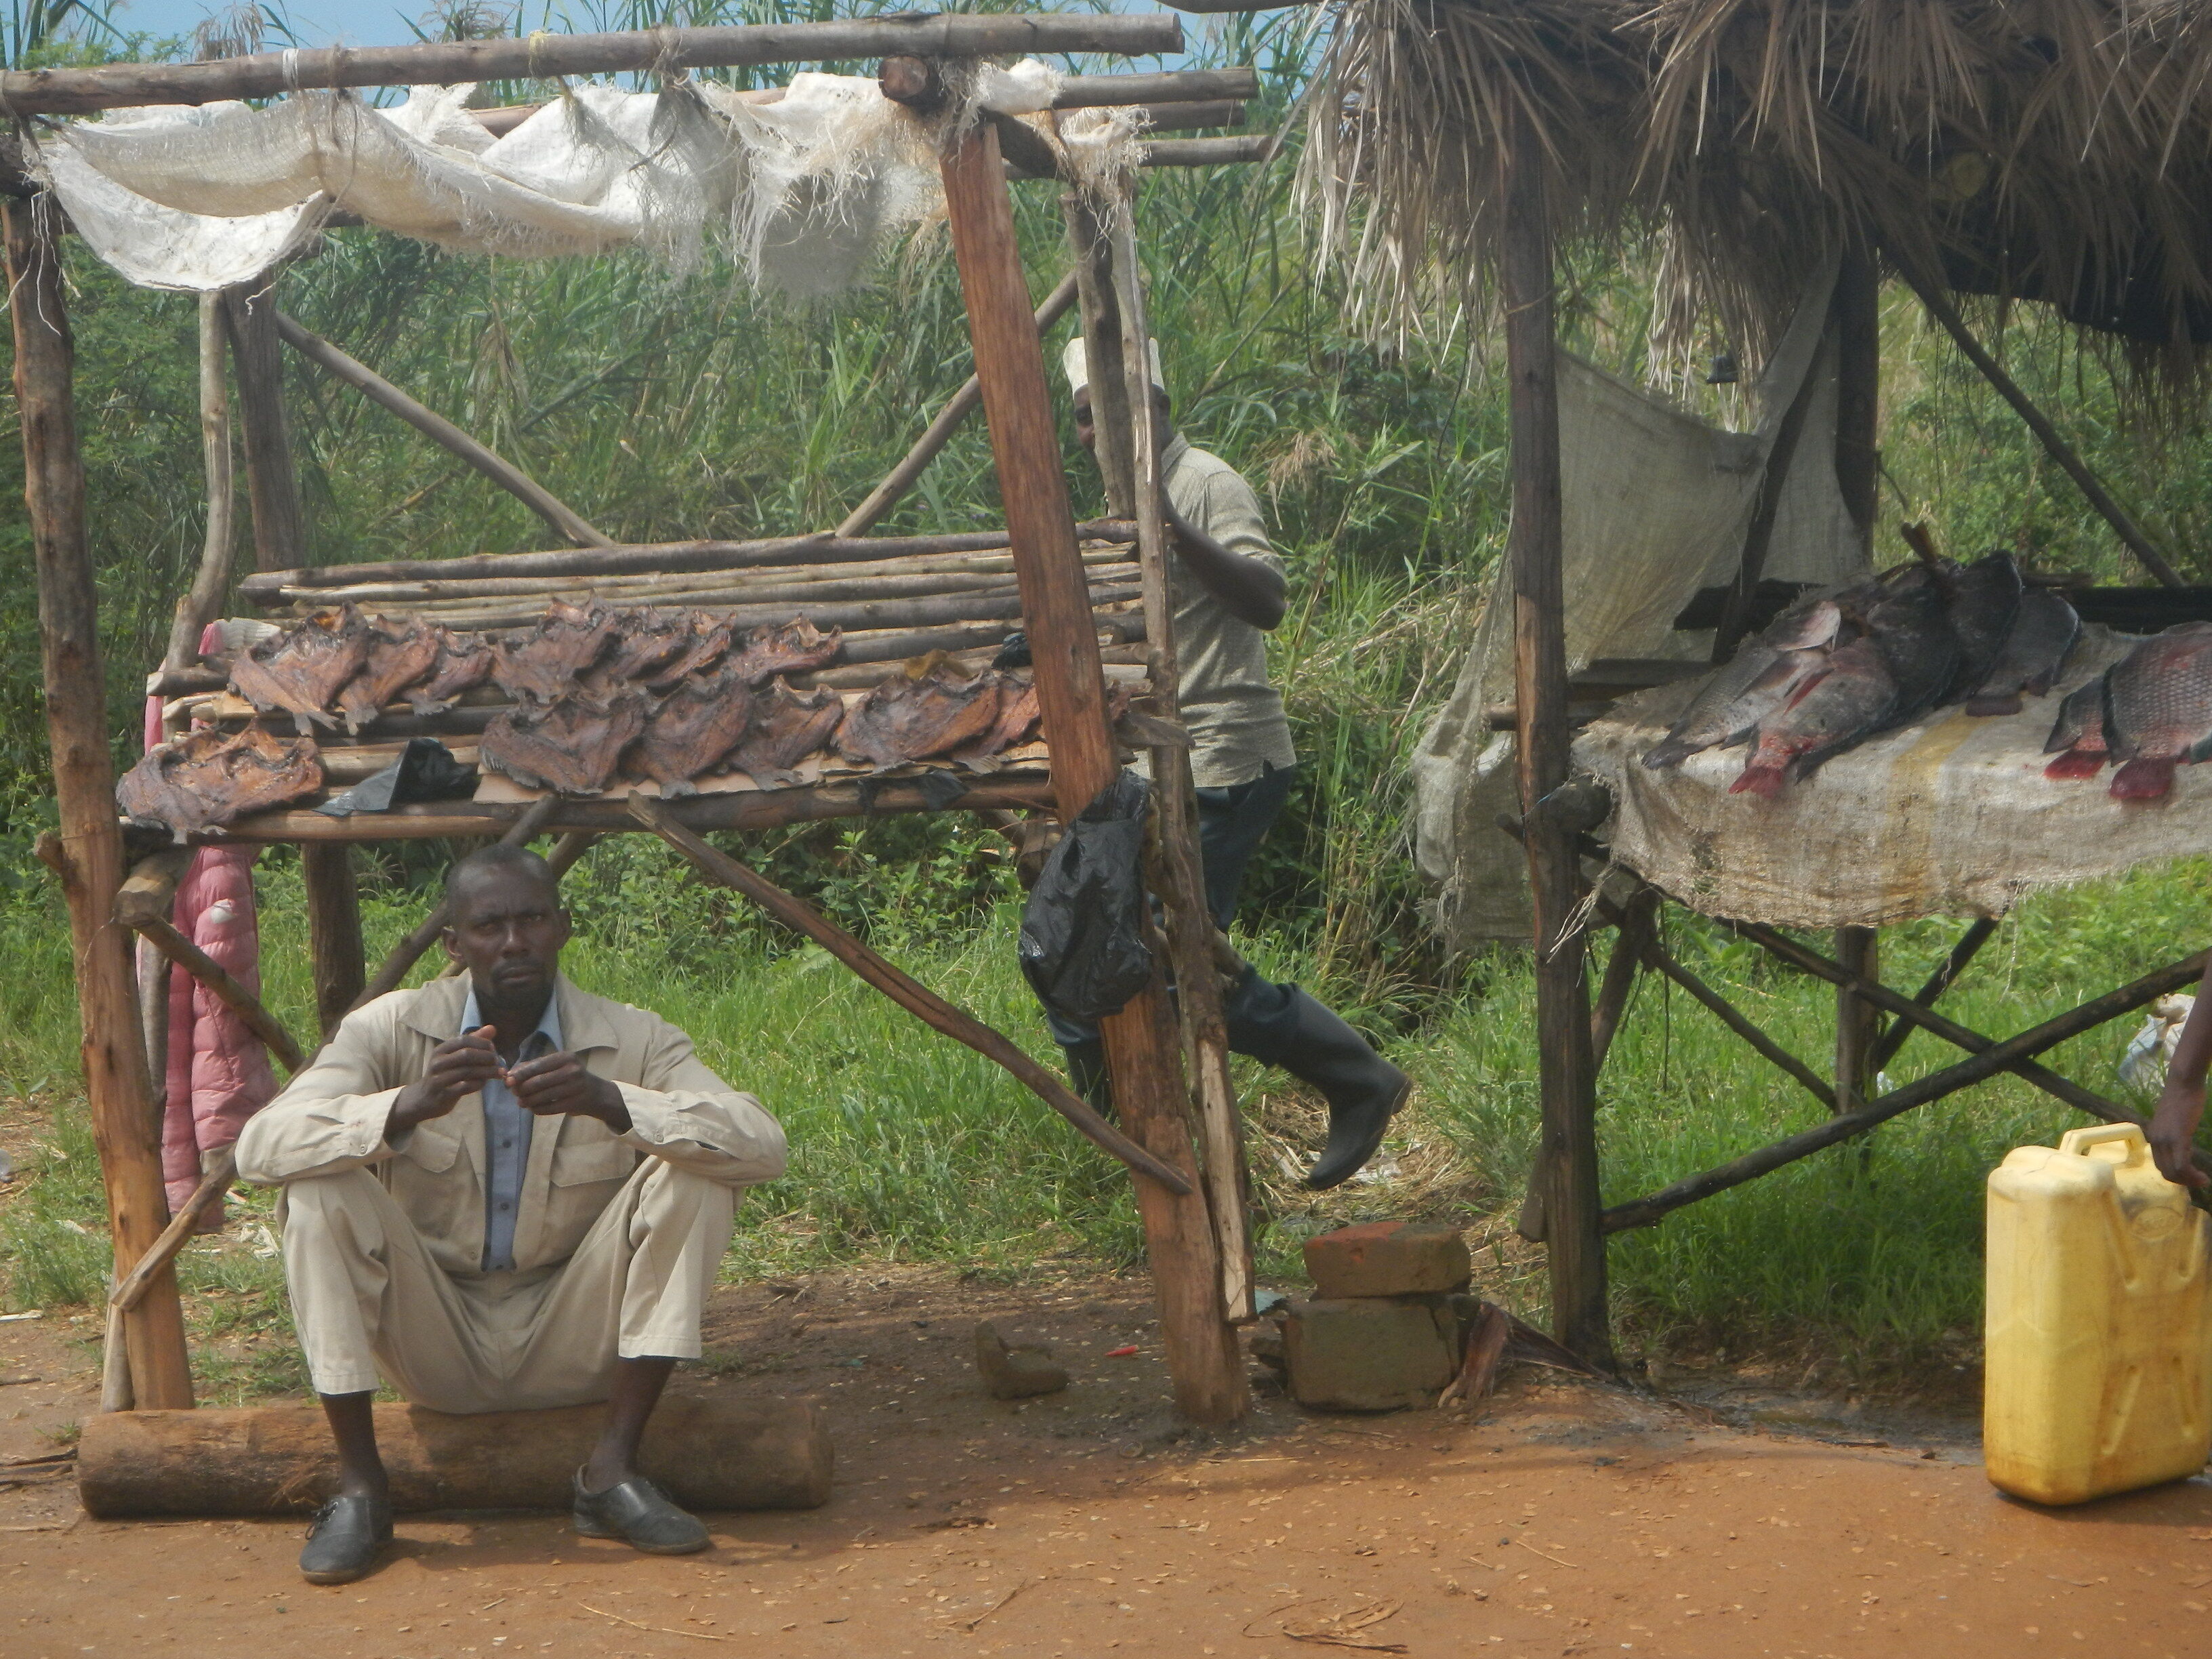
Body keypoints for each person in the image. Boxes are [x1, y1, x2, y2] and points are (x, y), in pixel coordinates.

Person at [234, 843, 786, 1586]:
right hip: (437, 1340)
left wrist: (611, 1101)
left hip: (577, 1335)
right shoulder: (388, 1029)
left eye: (532, 920)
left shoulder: (631, 1036)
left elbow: (762, 1144)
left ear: (563, 927)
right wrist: (406, 1106)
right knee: (317, 1188)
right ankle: (362, 1490)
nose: (514, 942)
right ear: (454, 945)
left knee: (698, 1171)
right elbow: (259, 1147)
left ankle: (611, 1471)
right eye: (489, 926)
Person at [1052, 336, 1409, 1191]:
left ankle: (1354, 1078)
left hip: (1222, 760)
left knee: (1172, 962)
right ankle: (1131, 1147)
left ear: (1157, 410)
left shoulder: (1206, 485)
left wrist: (1171, 530)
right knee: (1084, 946)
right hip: (1153, 769)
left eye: (1114, 413)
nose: (1098, 434)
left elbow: (1269, 600)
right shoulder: (1112, 505)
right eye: (1086, 419)